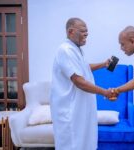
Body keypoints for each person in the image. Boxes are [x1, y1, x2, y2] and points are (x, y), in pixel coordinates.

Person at [50, 18, 115, 150]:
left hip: (79, 109)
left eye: (87, 31)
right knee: (72, 145)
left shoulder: (76, 49)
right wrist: (105, 92)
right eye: (83, 31)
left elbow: (83, 68)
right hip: (70, 111)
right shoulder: (66, 50)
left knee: (84, 143)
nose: (86, 34)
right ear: (71, 32)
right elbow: (79, 81)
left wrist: (103, 64)